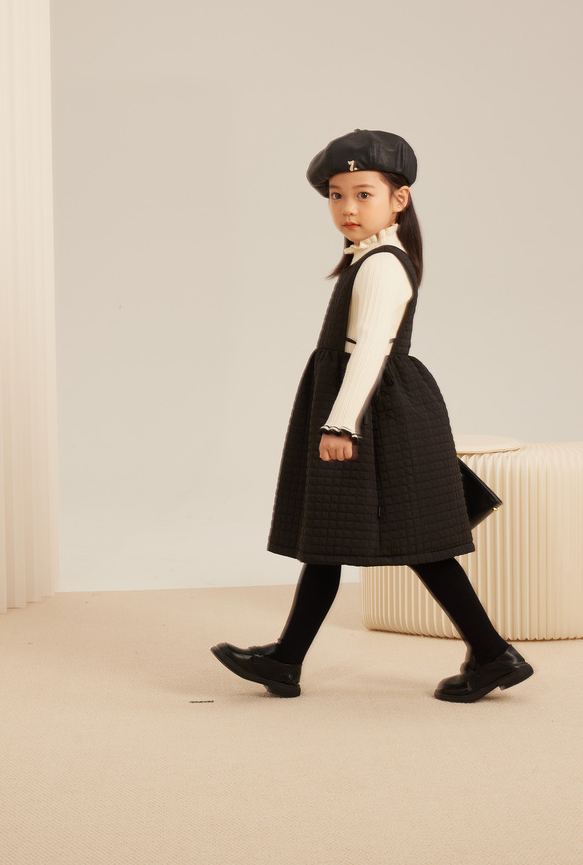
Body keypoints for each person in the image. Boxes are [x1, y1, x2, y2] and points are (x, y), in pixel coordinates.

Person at [211, 128, 534, 702]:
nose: (348, 208)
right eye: (336, 195)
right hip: (372, 410)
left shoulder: (384, 264)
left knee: (418, 544)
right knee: (335, 537)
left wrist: (341, 424)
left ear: (398, 199)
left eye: (363, 194)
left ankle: (491, 654)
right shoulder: (366, 259)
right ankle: (288, 660)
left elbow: (372, 351)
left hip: (378, 415)